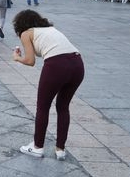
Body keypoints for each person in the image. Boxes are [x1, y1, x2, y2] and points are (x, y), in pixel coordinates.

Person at [12, 9, 84, 161]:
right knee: (63, 107)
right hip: (78, 64)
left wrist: (17, 58)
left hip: (56, 65)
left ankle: (38, 147)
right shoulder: (51, 29)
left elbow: (30, 61)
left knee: (43, 107)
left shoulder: (26, 33)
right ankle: (60, 149)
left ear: (21, 25)